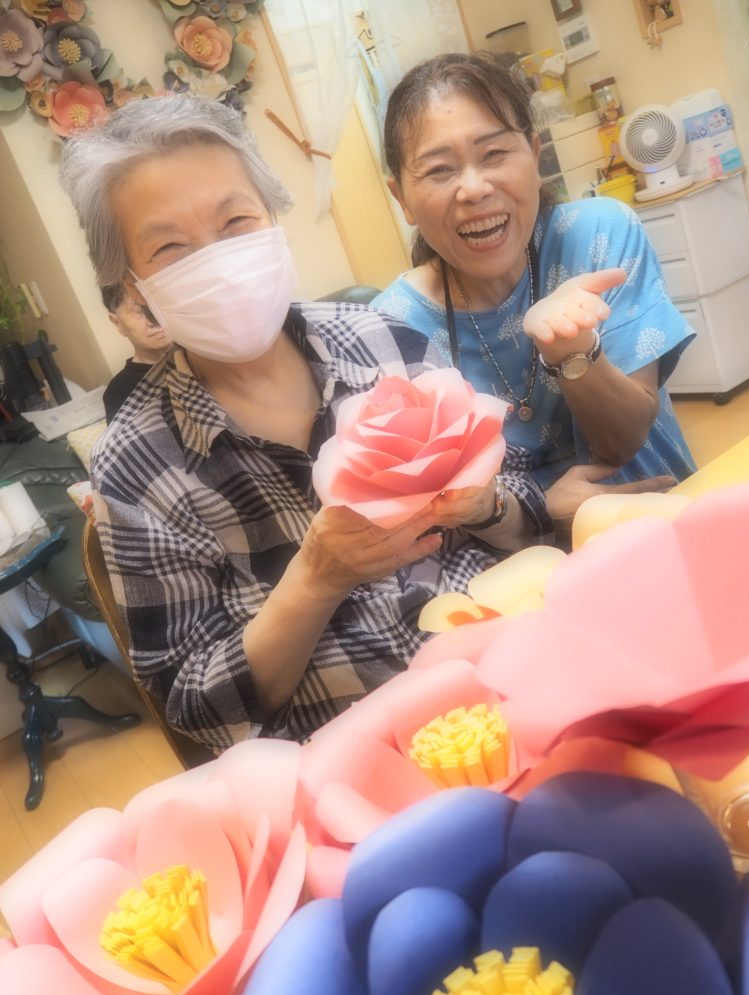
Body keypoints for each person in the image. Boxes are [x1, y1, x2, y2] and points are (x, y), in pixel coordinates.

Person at [60, 92, 560, 753]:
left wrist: (485, 504)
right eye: (170, 247)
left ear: (272, 219)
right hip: (364, 756)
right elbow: (194, 708)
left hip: (518, 676)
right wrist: (317, 577)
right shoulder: (136, 464)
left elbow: (528, 507)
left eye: (236, 221)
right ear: (132, 285)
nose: (216, 261)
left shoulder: (381, 342)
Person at [373, 51, 697, 490]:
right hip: (525, 538)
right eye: (439, 170)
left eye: (494, 153)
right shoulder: (392, 329)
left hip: (666, 515)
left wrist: (571, 348)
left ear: (535, 154)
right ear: (402, 200)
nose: (474, 189)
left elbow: (623, 440)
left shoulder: (598, 236)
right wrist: (539, 512)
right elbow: (432, 504)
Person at [100, 282, 170, 423]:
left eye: (158, 305)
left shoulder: (203, 358)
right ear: (117, 323)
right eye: (140, 311)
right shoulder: (120, 393)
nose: (154, 320)